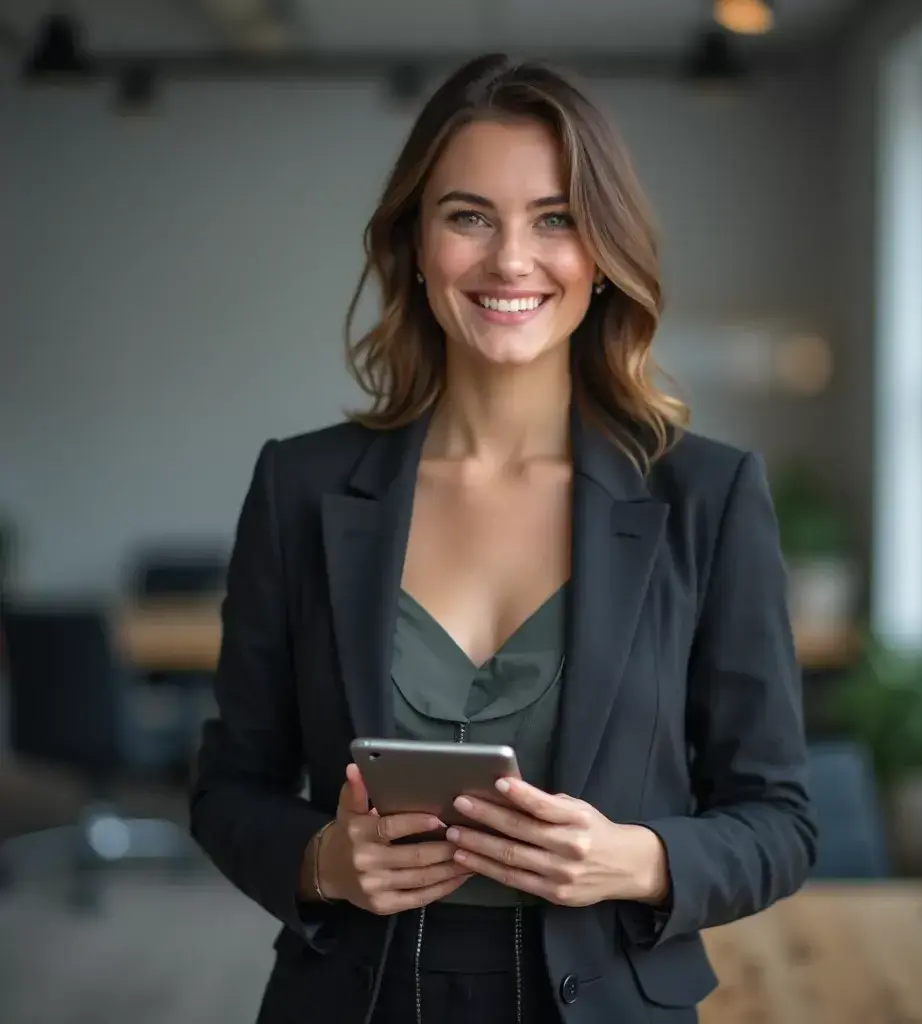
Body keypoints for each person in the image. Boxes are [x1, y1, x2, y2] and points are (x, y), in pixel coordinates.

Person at [189, 52, 817, 1024]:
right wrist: (321, 860)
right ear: (414, 242)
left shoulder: (708, 494)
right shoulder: (300, 485)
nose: (510, 260)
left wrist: (639, 858)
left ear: (602, 250)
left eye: (555, 217)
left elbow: (778, 819)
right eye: (468, 215)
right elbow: (229, 786)